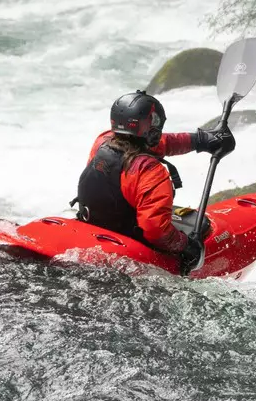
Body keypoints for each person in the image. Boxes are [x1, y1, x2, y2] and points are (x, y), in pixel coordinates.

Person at [72, 90, 236, 274]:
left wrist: (200, 140)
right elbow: (156, 230)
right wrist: (186, 246)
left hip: (92, 227)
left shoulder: (102, 142)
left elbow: (163, 143)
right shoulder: (150, 171)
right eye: (155, 122)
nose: (158, 128)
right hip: (127, 245)